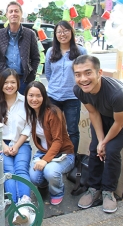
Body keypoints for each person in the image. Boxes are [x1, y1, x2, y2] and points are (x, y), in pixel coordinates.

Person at [73, 55, 123, 213]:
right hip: (102, 115)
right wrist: (100, 141)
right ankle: (94, 188)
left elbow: (119, 122)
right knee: (95, 148)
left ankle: (108, 191)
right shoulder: (79, 90)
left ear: (99, 72)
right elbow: (93, 113)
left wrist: (105, 143)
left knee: (111, 150)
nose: (83, 79)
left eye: (88, 73)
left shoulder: (116, 93)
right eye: (78, 74)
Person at [0, 68, 32, 224]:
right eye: (6, 82)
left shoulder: (24, 101)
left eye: (13, 82)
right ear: (0, 84)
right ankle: (15, 208)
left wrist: (17, 145)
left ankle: (25, 205)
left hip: (22, 143)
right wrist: (4, 147)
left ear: (18, 83)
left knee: (21, 169)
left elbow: (28, 126)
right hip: (1, 144)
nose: (9, 85)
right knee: (8, 172)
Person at [24, 81, 75, 206]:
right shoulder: (31, 113)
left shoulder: (53, 112)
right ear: (26, 97)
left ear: (44, 97)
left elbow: (58, 141)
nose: (34, 99)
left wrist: (45, 160)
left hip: (63, 153)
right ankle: (46, 183)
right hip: (44, 152)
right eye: (31, 95)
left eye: (38, 96)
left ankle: (57, 191)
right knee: (34, 177)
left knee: (50, 171)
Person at [45, 20, 87, 153]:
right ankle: (54, 154)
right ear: (55, 35)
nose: (62, 34)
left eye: (65, 31)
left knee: (72, 130)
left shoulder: (81, 51)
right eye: (59, 32)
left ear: (71, 32)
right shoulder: (51, 51)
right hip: (53, 96)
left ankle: (71, 158)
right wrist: (58, 85)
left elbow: (86, 73)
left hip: (72, 96)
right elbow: (48, 73)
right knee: (53, 129)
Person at [0, 1, 40, 94]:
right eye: (11, 11)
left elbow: (35, 58)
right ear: (7, 15)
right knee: (4, 107)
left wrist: (30, 77)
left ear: (21, 14)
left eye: (16, 11)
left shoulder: (30, 34)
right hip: (4, 80)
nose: (14, 14)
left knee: (23, 107)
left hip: (23, 80)